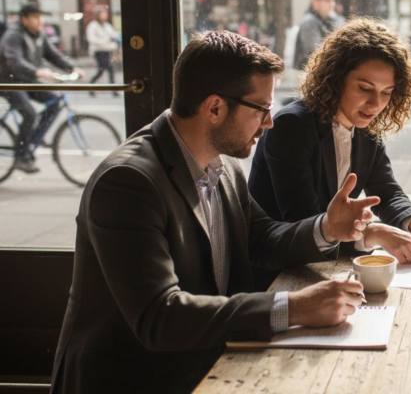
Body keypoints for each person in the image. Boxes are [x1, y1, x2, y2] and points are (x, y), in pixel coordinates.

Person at [50, 30, 377, 394]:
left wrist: (327, 228)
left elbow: (262, 238)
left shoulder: (222, 163)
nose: (269, 123)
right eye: (262, 110)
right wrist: (293, 307)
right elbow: (160, 316)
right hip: (136, 378)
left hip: (209, 360)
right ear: (215, 108)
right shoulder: (128, 182)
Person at [249, 17, 411, 288]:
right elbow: (303, 223)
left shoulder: (365, 128)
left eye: (387, 93)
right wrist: (372, 234)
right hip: (280, 277)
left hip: (325, 269)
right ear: (336, 79)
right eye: (364, 89)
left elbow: (387, 192)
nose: (376, 104)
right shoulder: (291, 126)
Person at [0, 3, 85, 174]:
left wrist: (71, 68)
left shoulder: (39, 34)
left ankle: (31, 137)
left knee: (55, 101)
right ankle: (22, 156)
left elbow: (52, 54)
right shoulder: (13, 35)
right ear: (24, 20)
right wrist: (38, 71)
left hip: (28, 80)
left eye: (41, 16)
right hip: (9, 82)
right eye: (36, 17)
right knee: (29, 113)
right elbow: (14, 61)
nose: (41, 20)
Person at [293, 0, 345, 70]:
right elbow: (316, 53)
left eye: (333, 0)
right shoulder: (309, 22)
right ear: (315, 2)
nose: (332, 4)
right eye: (327, 0)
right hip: (313, 75)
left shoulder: (329, 19)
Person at [86, 6, 120, 97]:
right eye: (103, 14)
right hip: (98, 51)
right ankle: (113, 90)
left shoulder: (107, 25)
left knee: (103, 70)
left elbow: (113, 35)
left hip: (107, 51)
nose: (105, 15)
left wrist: (116, 40)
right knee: (108, 69)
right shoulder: (93, 25)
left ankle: (91, 86)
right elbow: (91, 39)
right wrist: (105, 41)